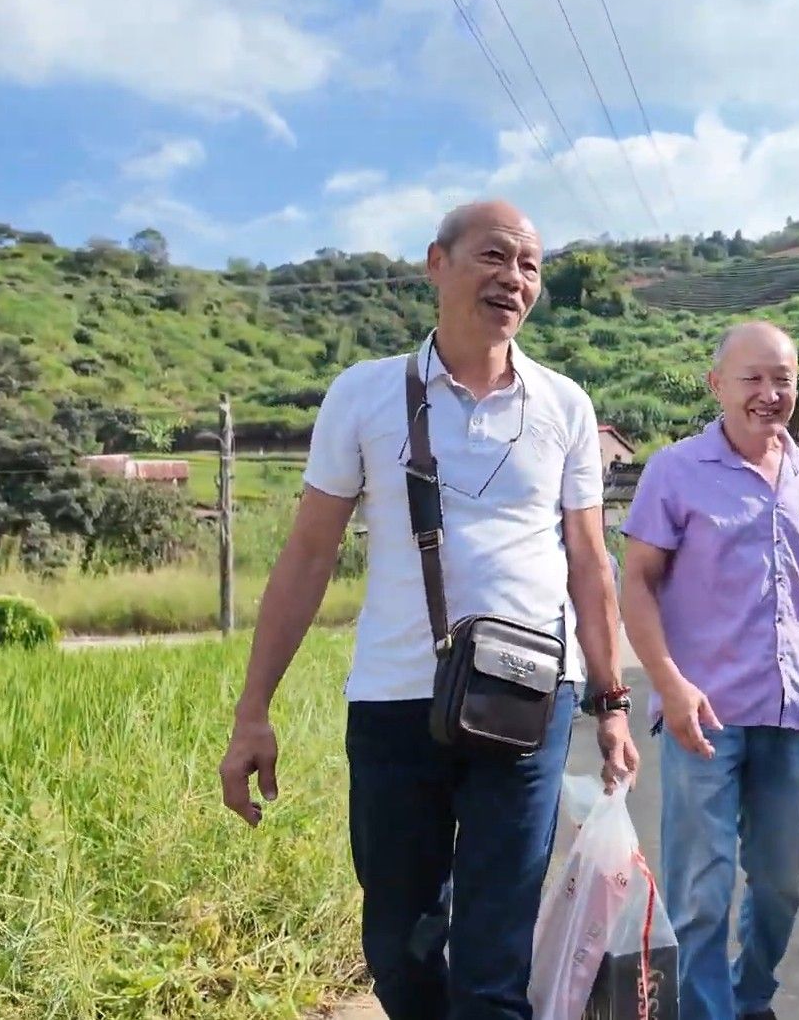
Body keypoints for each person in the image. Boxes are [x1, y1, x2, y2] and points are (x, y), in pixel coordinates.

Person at [216, 199, 641, 1020]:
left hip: (528, 697)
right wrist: (253, 709)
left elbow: (590, 562)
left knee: (492, 964)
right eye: (494, 256)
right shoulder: (366, 393)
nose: (514, 278)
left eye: (530, 265)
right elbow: (307, 556)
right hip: (396, 699)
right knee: (400, 949)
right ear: (436, 264)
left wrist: (612, 702)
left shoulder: (566, 406)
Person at [618, 320, 799, 1020]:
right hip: (704, 714)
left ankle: (752, 994)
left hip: (791, 713)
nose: (769, 393)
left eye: (781, 378)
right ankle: (707, 1010)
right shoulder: (675, 470)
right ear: (716, 385)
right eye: (751, 378)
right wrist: (667, 681)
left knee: (782, 880)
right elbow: (637, 581)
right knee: (703, 888)